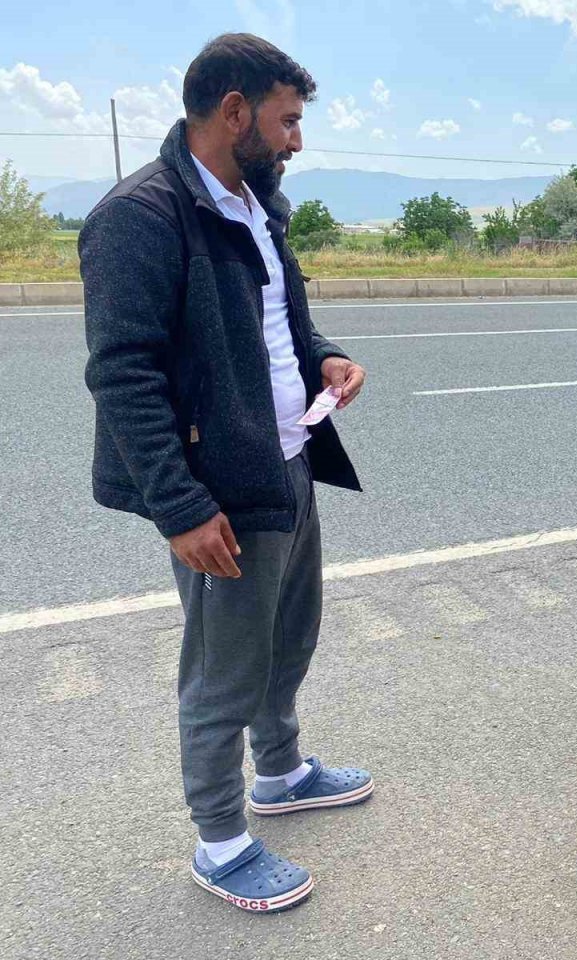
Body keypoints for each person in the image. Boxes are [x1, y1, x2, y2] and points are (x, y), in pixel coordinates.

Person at [81, 33, 369, 912]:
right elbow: (123, 374)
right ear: (235, 110)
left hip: (287, 459)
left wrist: (324, 357)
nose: (296, 141)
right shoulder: (142, 216)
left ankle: (279, 773)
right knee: (223, 667)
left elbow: (277, 322)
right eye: (287, 121)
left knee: (289, 635)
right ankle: (220, 841)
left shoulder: (256, 204)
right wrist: (180, 506)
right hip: (218, 486)